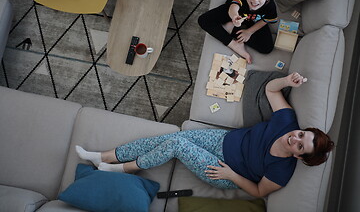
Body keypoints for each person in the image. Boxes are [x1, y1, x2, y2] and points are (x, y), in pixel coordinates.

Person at [76, 72, 334, 197]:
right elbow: (270, 90)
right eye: (301, 135)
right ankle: (105, 156)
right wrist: (288, 81)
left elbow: (258, 192)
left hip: (224, 170)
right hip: (223, 141)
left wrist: (231, 175)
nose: (296, 139)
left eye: (301, 146)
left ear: (300, 157)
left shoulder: (282, 171)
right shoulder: (287, 123)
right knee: (164, 140)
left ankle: (124, 167)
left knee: (176, 142)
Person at [198, 0, 278, 64]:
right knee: (203, 20)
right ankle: (233, 44)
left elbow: (266, 20)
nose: (255, 0)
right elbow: (234, 6)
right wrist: (234, 16)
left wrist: (249, 32)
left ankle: (230, 28)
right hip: (236, 14)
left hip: (253, 22)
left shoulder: (270, 6)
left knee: (267, 48)